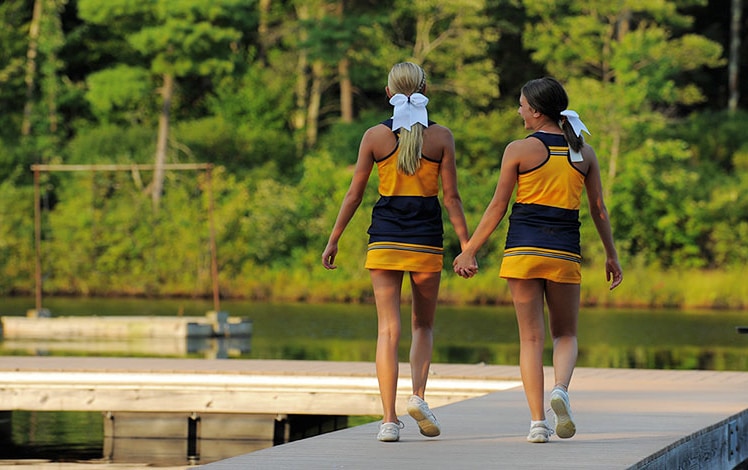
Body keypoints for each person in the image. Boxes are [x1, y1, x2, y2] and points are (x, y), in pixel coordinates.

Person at [453, 77, 623, 443]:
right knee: (566, 333)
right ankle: (560, 389)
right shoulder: (584, 154)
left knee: (530, 339)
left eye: (521, 105)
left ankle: (537, 425)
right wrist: (611, 254)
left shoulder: (518, 150)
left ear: (536, 111)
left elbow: (498, 206)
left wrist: (469, 249)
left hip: (522, 253)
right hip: (563, 253)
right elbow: (598, 210)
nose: (518, 111)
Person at [322, 62, 470, 442]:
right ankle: (417, 397)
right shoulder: (441, 138)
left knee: (388, 330)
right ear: (426, 90)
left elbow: (355, 193)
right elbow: (451, 197)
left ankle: (389, 421)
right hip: (425, 240)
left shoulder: (374, 136)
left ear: (389, 94)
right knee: (423, 325)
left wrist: (334, 237)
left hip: (385, 238)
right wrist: (467, 246)